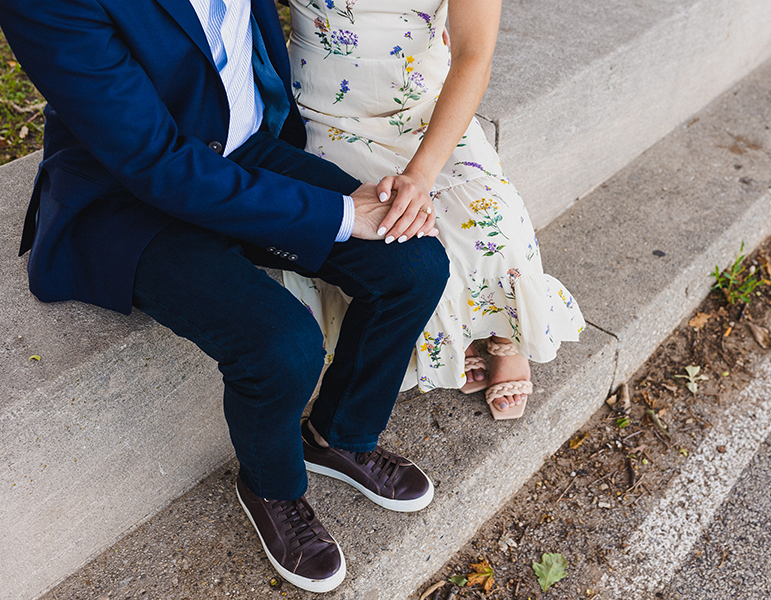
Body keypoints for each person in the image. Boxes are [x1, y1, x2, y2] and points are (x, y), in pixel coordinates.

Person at [0, 0, 449, 593]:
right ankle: (271, 485)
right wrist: (339, 213)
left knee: (413, 264)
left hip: (242, 150)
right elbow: (153, 161)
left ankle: (337, 436)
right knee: (282, 342)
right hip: (129, 202)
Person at [283, 0, 585, 420]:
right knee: (400, 241)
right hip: (325, 115)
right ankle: (457, 337)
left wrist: (421, 175)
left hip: (425, 107)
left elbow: (474, 55)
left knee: (492, 229)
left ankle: (502, 335)